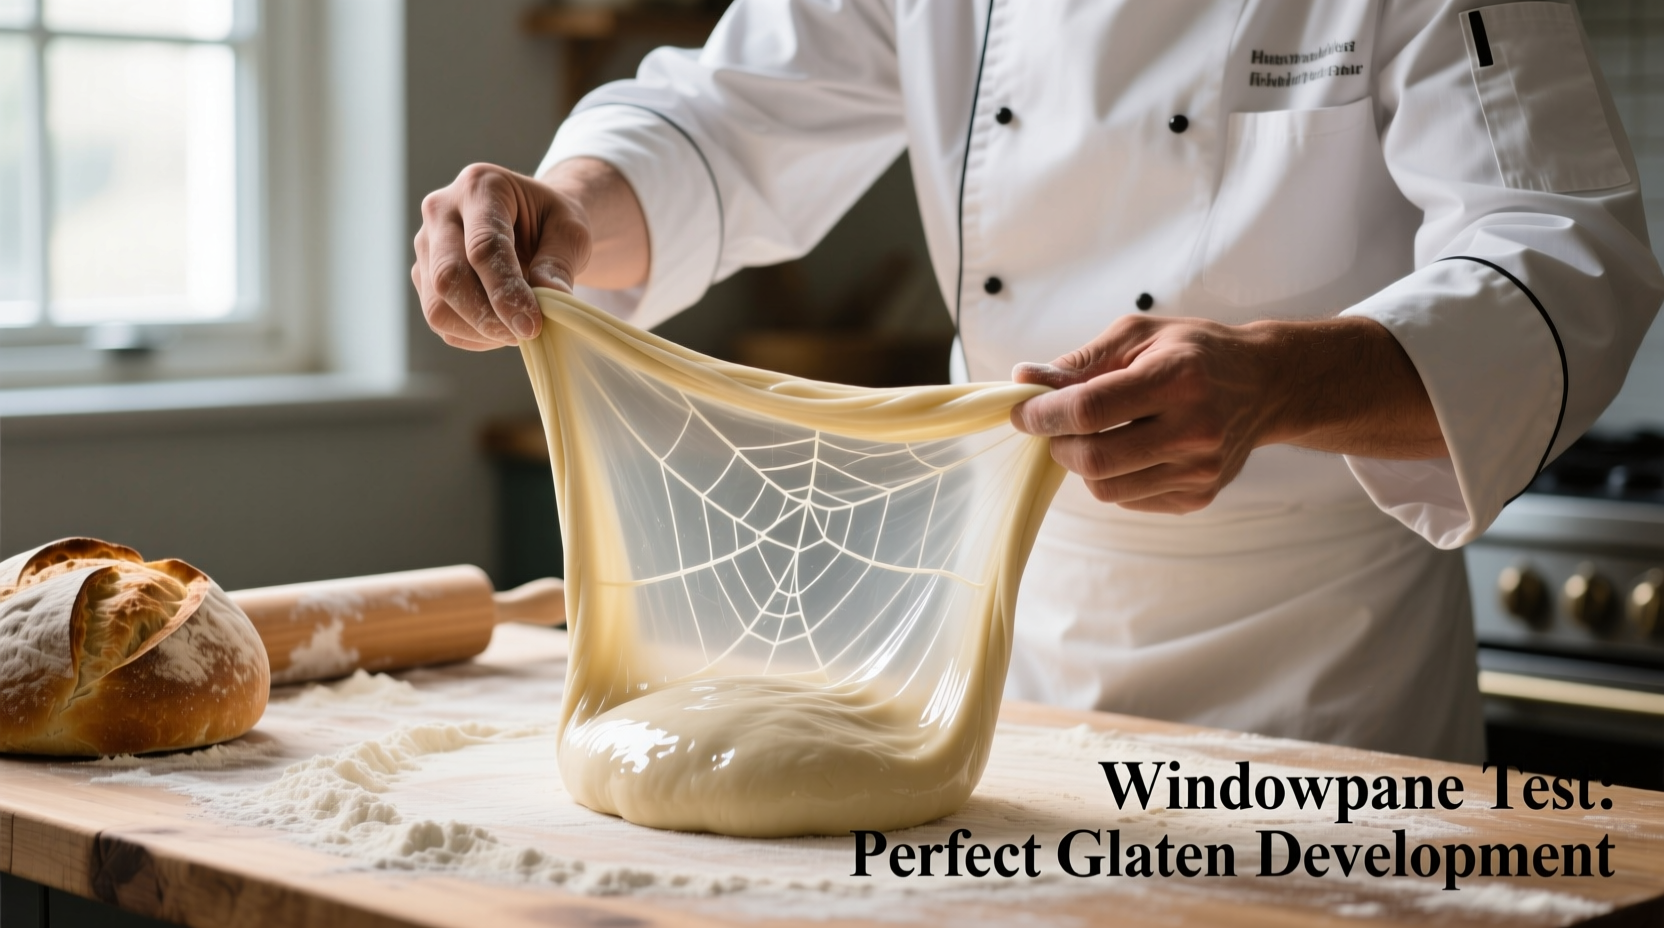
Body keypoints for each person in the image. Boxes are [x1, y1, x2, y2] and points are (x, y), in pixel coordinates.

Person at [411, 0, 1664, 762]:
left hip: (1317, 682)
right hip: (1007, 644)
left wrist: (1279, 380)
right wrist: (560, 212)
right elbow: (730, 117)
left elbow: (1563, 252)